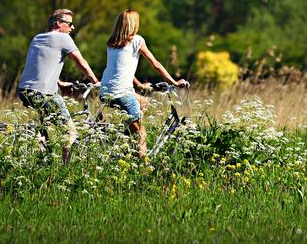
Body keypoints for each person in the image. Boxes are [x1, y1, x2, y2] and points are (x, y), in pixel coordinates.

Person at [100, 9, 189, 159]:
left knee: (144, 101)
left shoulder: (112, 43)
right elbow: (155, 64)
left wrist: (139, 84)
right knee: (142, 134)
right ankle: (143, 169)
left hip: (105, 91)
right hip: (122, 93)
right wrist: (174, 82)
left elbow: (121, 68)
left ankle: (127, 138)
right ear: (134, 24)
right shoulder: (137, 40)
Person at [17, 9, 100, 164]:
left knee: (45, 130)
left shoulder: (37, 38)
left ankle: (41, 161)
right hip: (44, 93)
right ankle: (64, 169)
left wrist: (60, 83)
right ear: (58, 24)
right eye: (69, 24)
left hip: (24, 90)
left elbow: (41, 66)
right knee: (70, 132)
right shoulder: (63, 38)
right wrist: (96, 82)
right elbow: (81, 62)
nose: (72, 28)